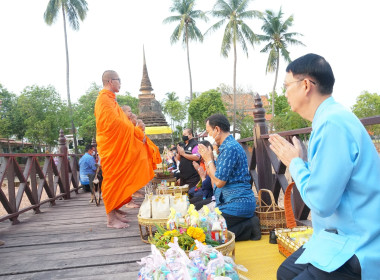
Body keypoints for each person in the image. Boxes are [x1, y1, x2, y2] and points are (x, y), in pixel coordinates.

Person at [268, 53, 380, 280]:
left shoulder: (332, 124)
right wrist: (299, 163)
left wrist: (295, 163)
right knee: (285, 272)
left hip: (357, 245)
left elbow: (321, 203)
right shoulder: (329, 118)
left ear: (306, 85)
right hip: (333, 237)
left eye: (287, 86)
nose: (285, 93)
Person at [94, 70, 154, 229]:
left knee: (117, 179)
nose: (120, 83)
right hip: (110, 147)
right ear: (110, 81)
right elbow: (114, 124)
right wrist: (135, 133)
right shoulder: (103, 100)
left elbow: (123, 123)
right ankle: (110, 219)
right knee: (111, 180)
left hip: (114, 147)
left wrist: (137, 132)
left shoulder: (111, 100)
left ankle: (114, 210)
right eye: (119, 80)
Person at [198, 114, 261, 241]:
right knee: (201, 227)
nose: (209, 136)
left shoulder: (230, 148)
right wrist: (208, 162)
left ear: (217, 129)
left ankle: (250, 226)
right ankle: (249, 225)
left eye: (209, 132)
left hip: (238, 203)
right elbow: (215, 182)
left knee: (206, 232)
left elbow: (220, 182)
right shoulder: (225, 147)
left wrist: (209, 160)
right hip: (228, 202)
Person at [189, 140, 214, 210]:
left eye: (200, 151)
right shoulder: (206, 163)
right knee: (190, 198)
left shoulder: (212, 164)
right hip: (206, 192)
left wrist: (202, 176)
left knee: (193, 205)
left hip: (211, 195)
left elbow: (206, 185)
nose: (199, 154)